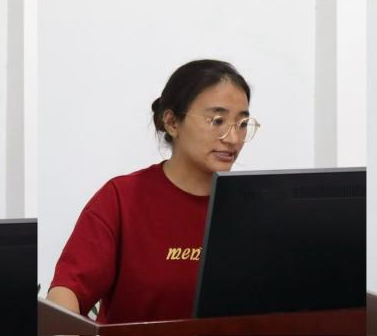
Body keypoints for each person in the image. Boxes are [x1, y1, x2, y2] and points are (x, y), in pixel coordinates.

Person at [47, 59, 261, 322]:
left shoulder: (253, 209)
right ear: (172, 122)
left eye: (242, 123)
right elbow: (67, 292)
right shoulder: (122, 199)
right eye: (217, 120)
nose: (234, 139)